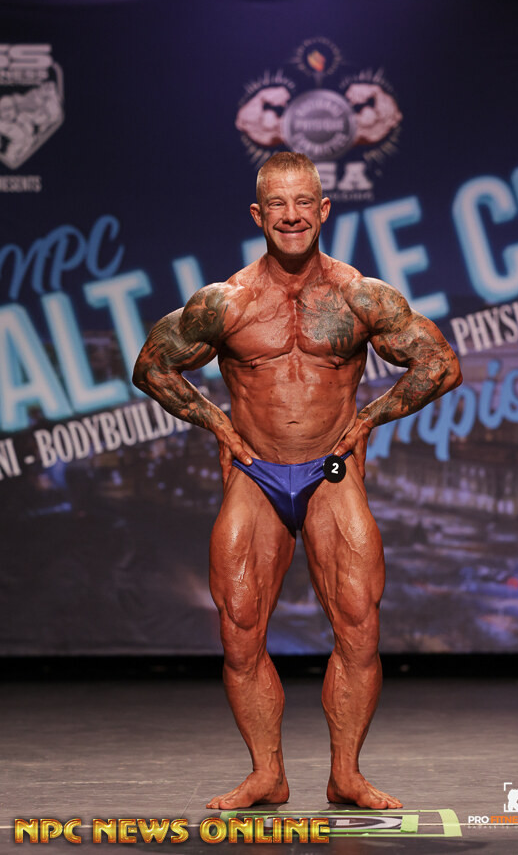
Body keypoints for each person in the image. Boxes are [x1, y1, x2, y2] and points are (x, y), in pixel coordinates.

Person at [133, 152, 462, 810]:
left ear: (323, 209)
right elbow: (152, 367)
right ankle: (267, 774)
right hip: (255, 468)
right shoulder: (226, 302)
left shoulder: (360, 296)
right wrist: (217, 424)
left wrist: (368, 419)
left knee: (358, 625)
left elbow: (440, 364)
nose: (291, 216)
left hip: (330, 468)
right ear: (258, 215)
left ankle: (346, 775)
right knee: (240, 628)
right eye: (277, 205)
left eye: (303, 202)